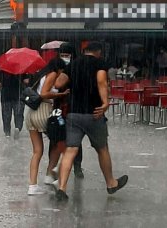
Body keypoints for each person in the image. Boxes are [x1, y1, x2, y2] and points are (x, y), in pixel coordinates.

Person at [54, 42, 128, 201]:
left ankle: (61, 188)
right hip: (94, 113)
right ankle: (111, 183)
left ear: (84, 51)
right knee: (102, 148)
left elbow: (58, 83)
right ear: (98, 52)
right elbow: (101, 81)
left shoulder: (73, 64)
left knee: (71, 150)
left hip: (74, 113)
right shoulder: (99, 63)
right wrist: (105, 102)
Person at [25, 58, 69, 195]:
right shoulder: (52, 75)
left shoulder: (41, 75)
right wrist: (61, 94)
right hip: (44, 111)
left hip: (31, 114)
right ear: (59, 68)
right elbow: (44, 93)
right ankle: (52, 173)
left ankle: (32, 186)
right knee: (63, 141)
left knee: (37, 151)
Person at [44, 43, 85, 187]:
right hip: (60, 106)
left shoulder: (76, 68)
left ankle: (75, 166)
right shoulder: (58, 67)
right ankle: (54, 167)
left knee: (72, 139)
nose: (65, 57)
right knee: (58, 137)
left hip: (72, 107)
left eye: (67, 55)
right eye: (63, 54)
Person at [0, 70, 26, 139]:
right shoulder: (21, 70)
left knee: (6, 116)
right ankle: (17, 128)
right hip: (18, 96)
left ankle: (7, 133)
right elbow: (27, 81)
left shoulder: (3, 71)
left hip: (6, 96)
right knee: (19, 114)